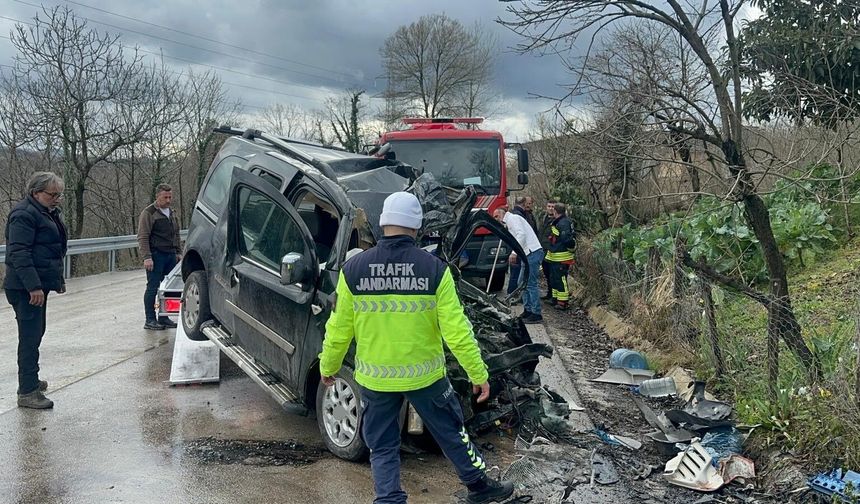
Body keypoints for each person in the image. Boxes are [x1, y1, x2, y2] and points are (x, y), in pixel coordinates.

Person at [319, 192, 514, 504]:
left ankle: (389, 499)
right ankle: (479, 487)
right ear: (416, 227)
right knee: (451, 432)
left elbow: (338, 329)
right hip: (425, 378)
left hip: (375, 379)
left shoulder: (352, 271)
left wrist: (328, 367)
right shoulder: (435, 269)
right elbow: (458, 332)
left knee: (381, 446)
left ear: (383, 224)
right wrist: (478, 374)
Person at [4, 172, 68, 409]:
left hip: (38, 284)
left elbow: (51, 249)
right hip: (24, 287)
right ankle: (27, 391)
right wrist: (33, 286)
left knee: (37, 331)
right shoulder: (23, 215)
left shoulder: (44, 213)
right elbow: (19, 253)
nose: (56, 199)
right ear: (36, 193)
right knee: (30, 336)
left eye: (58, 195)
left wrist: (55, 281)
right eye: (52, 195)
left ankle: (31, 379)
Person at [137, 183, 181, 330]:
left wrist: (179, 252)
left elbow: (176, 234)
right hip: (156, 255)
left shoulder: (172, 212)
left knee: (167, 288)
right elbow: (143, 236)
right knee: (153, 287)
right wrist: (147, 257)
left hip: (171, 255)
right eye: (165, 197)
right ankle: (150, 319)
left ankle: (164, 317)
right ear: (158, 196)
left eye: (170, 197)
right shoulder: (149, 213)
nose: (168, 200)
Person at [493, 207, 544, 324]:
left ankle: (536, 313)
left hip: (532, 252)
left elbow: (521, 235)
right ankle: (528, 310)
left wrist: (514, 253)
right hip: (527, 254)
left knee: (530, 284)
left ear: (502, 214)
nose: (496, 219)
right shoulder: (510, 222)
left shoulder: (513, 219)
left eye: (496, 216)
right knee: (522, 283)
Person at [545, 203, 576, 310]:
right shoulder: (560, 222)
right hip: (555, 257)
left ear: (555, 211)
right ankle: (555, 299)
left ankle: (563, 302)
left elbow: (567, 240)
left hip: (561, 258)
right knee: (554, 279)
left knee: (560, 279)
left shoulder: (563, 223)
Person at [506, 196, 538, 296]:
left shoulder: (527, 214)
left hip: (525, 248)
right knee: (517, 272)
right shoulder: (518, 215)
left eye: (530, 203)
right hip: (521, 248)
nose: (528, 205)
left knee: (519, 274)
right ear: (523, 204)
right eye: (527, 203)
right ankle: (512, 293)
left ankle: (514, 294)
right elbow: (522, 234)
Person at [538, 199, 558, 299]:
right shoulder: (543, 218)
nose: (550, 208)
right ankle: (549, 293)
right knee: (546, 272)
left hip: (551, 250)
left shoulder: (557, 220)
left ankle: (553, 295)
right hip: (542, 249)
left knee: (552, 274)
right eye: (549, 206)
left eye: (552, 207)